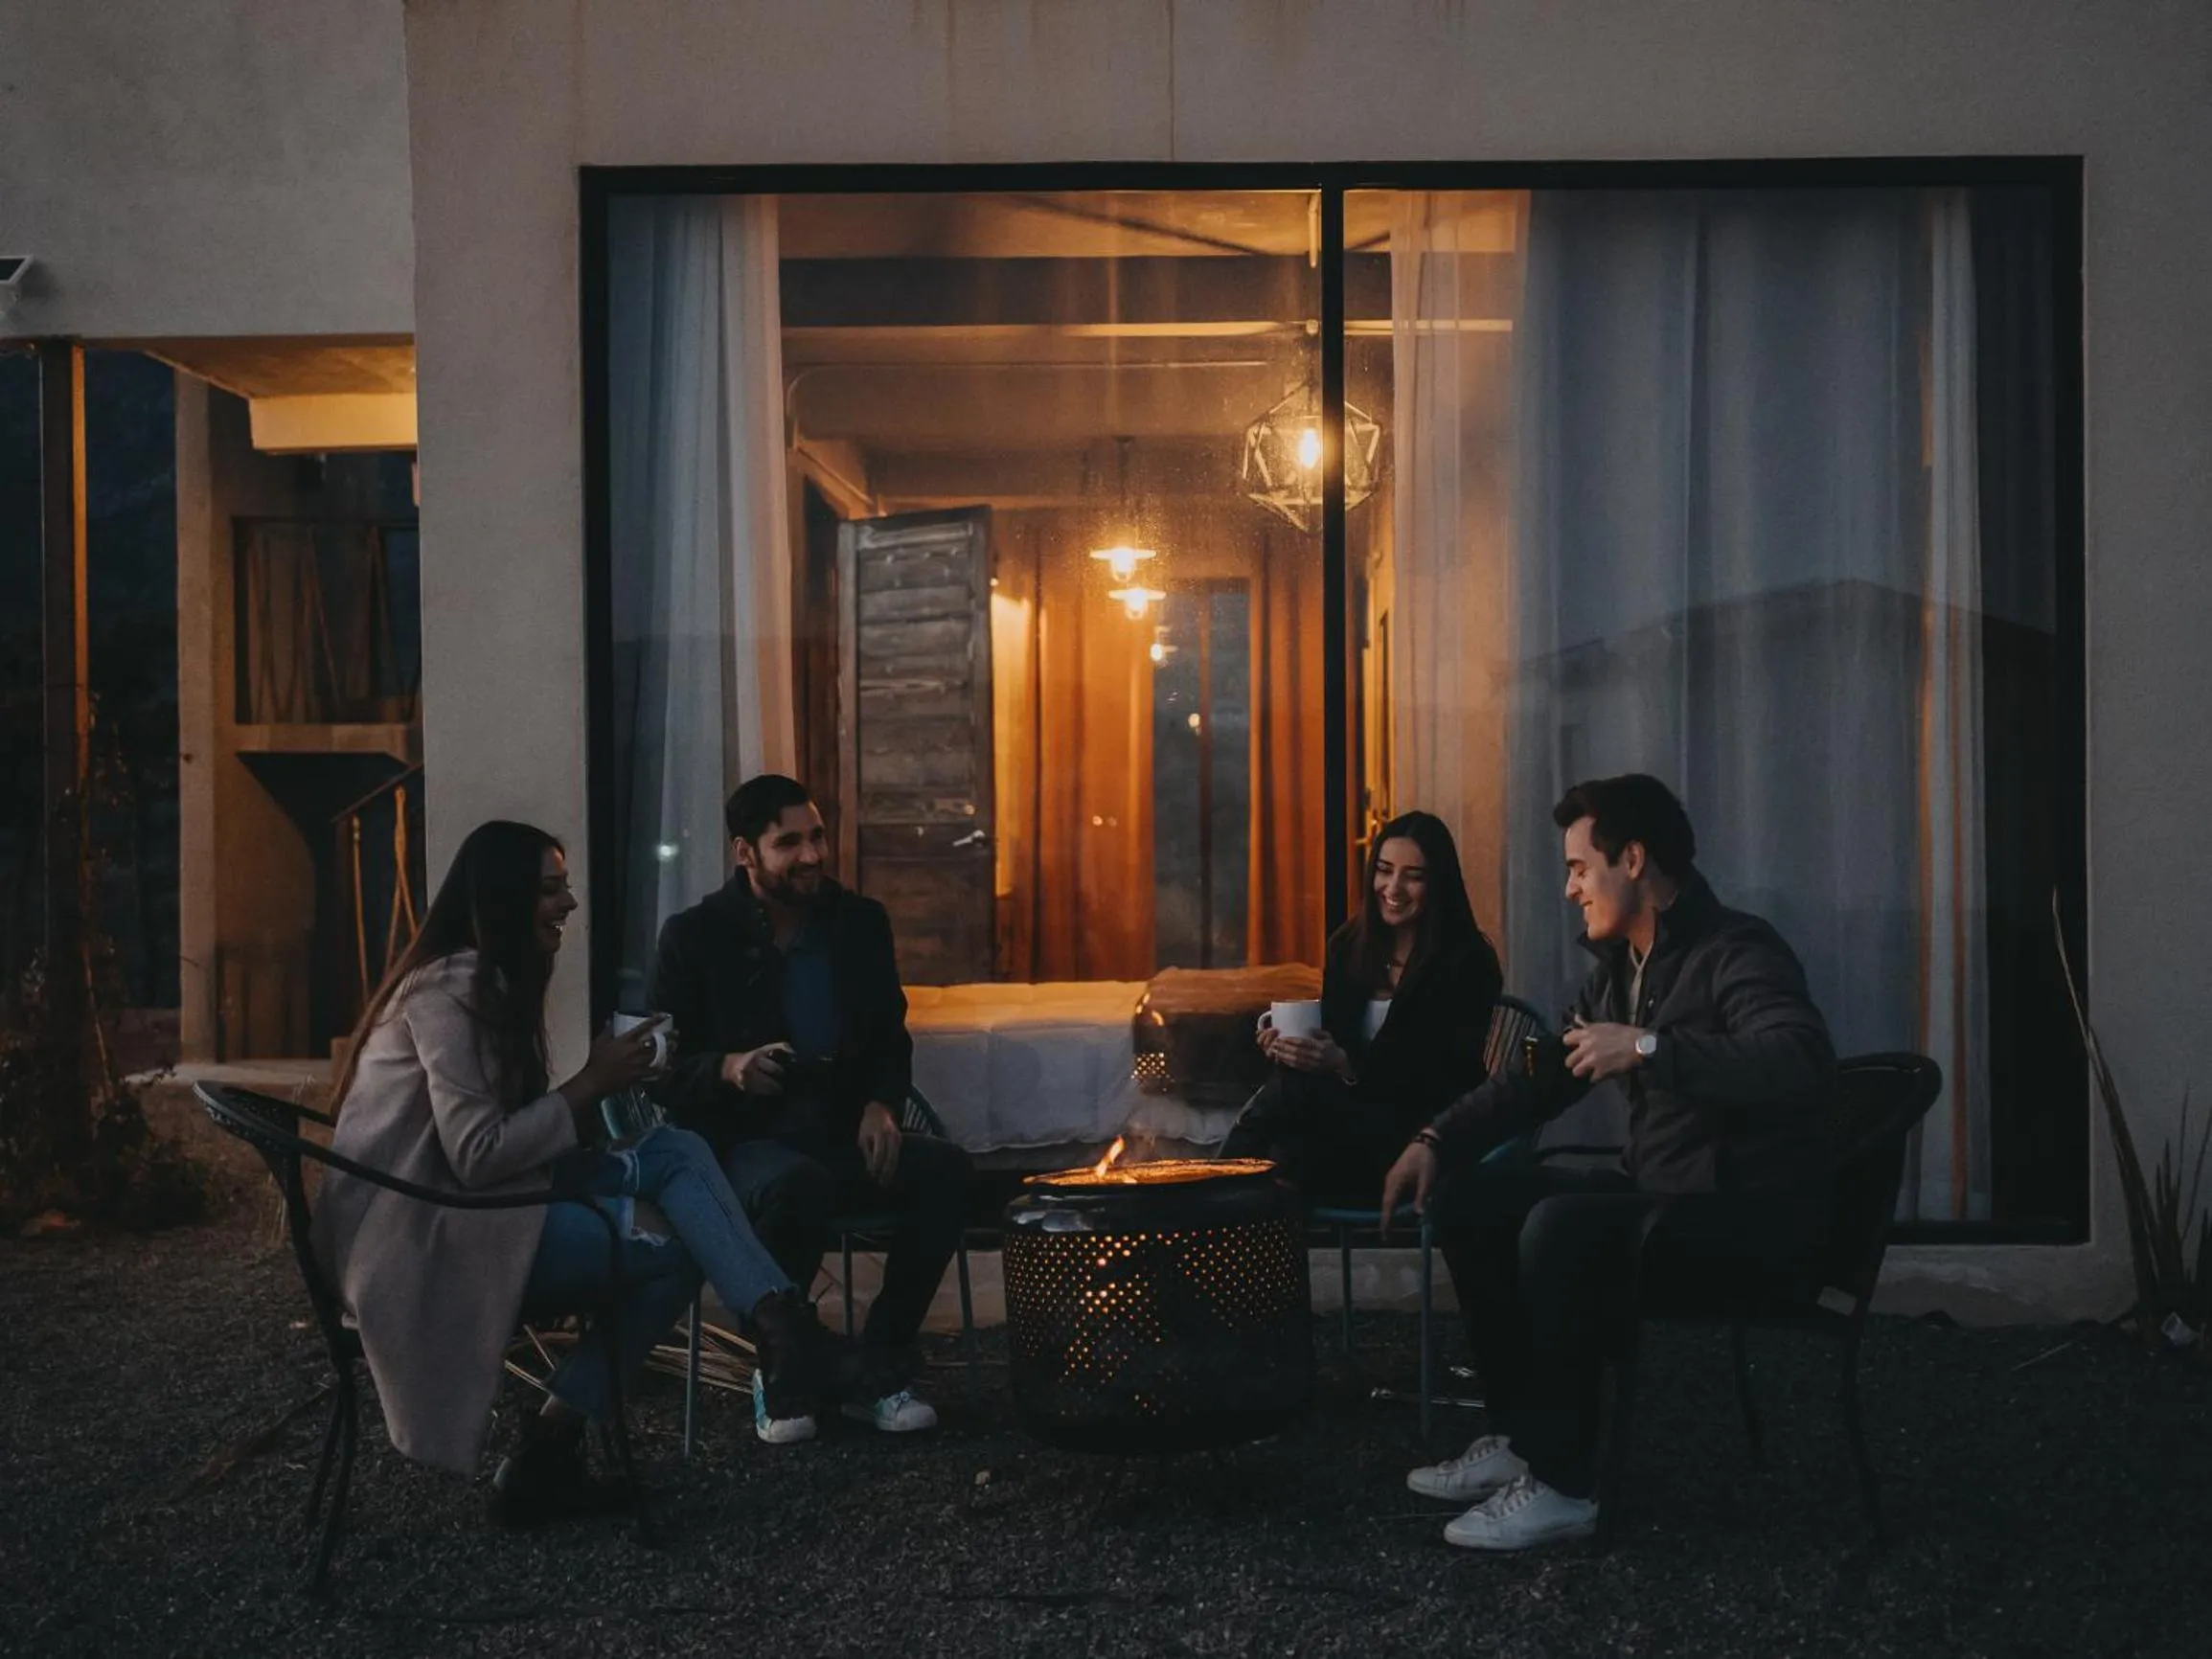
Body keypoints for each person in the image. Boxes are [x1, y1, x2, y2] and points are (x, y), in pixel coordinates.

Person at [312, 819, 856, 1528]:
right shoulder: (451, 989)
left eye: (564, 887)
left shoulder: (482, 978)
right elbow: (478, 1154)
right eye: (550, 889)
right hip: (429, 1237)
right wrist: (591, 1083)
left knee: (674, 1150)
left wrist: (608, 1087)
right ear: (503, 897)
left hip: (469, 1203)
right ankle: (552, 1445)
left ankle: (780, 1324)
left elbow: (496, 1145)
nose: (568, 904)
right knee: (677, 1253)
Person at [1380, 774, 1837, 1553]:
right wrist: (1434, 1139)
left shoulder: (1735, 950)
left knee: (1562, 1225)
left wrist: (1651, 1047)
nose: (1569, 890)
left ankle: (1565, 1487)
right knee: (1472, 1201)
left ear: (1631, 859)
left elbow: (1799, 1060)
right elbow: (1536, 1077)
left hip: (1730, 1215)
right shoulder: (1620, 973)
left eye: (1577, 869)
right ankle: (1523, 1439)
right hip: (1656, 1199)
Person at [652, 774, 972, 1444]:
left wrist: (882, 1104)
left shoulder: (858, 923)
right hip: (744, 1146)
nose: (812, 855)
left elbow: (889, 1035)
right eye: (789, 843)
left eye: (817, 837)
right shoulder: (693, 936)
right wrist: (728, 1068)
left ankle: (879, 1364)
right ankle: (783, 1370)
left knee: (947, 1171)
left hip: (840, 1129)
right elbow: (662, 1069)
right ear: (745, 852)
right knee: (797, 1186)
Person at [1221, 810, 1503, 1206]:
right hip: (1347, 1122)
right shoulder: (1350, 946)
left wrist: (1346, 1067)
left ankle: (1207, 1194)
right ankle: (1218, 1200)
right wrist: (1293, 1050)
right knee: (1286, 1144)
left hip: (1422, 1134)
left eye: (1414, 876)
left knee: (1284, 1139)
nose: (1393, 888)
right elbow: (1334, 1040)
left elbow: (1440, 1079)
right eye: (1384, 871)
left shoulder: (1467, 962)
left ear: (1438, 884)